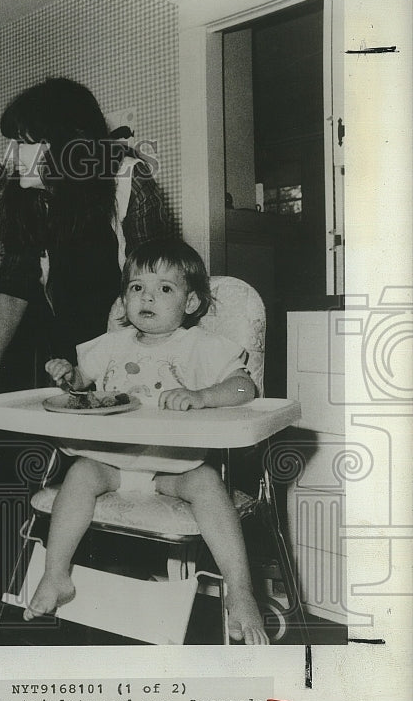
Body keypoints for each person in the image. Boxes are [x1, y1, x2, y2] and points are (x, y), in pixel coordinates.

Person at [31, 238, 269, 644]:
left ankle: (240, 591)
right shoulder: (109, 345)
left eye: (164, 288)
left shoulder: (203, 347)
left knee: (209, 484)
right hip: (111, 462)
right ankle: (57, 574)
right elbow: (79, 386)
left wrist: (202, 396)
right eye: (136, 287)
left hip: (172, 466)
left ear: (190, 303)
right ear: (123, 301)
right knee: (79, 475)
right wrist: (66, 375)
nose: (147, 297)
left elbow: (245, 388)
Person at [0, 77, 179, 385]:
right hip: (67, 352)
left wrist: (112, 361)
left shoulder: (129, 180)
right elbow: (15, 287)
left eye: (22, 143)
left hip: (136, 347)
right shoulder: (29, 197)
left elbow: (156, 283)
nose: (10, 156)